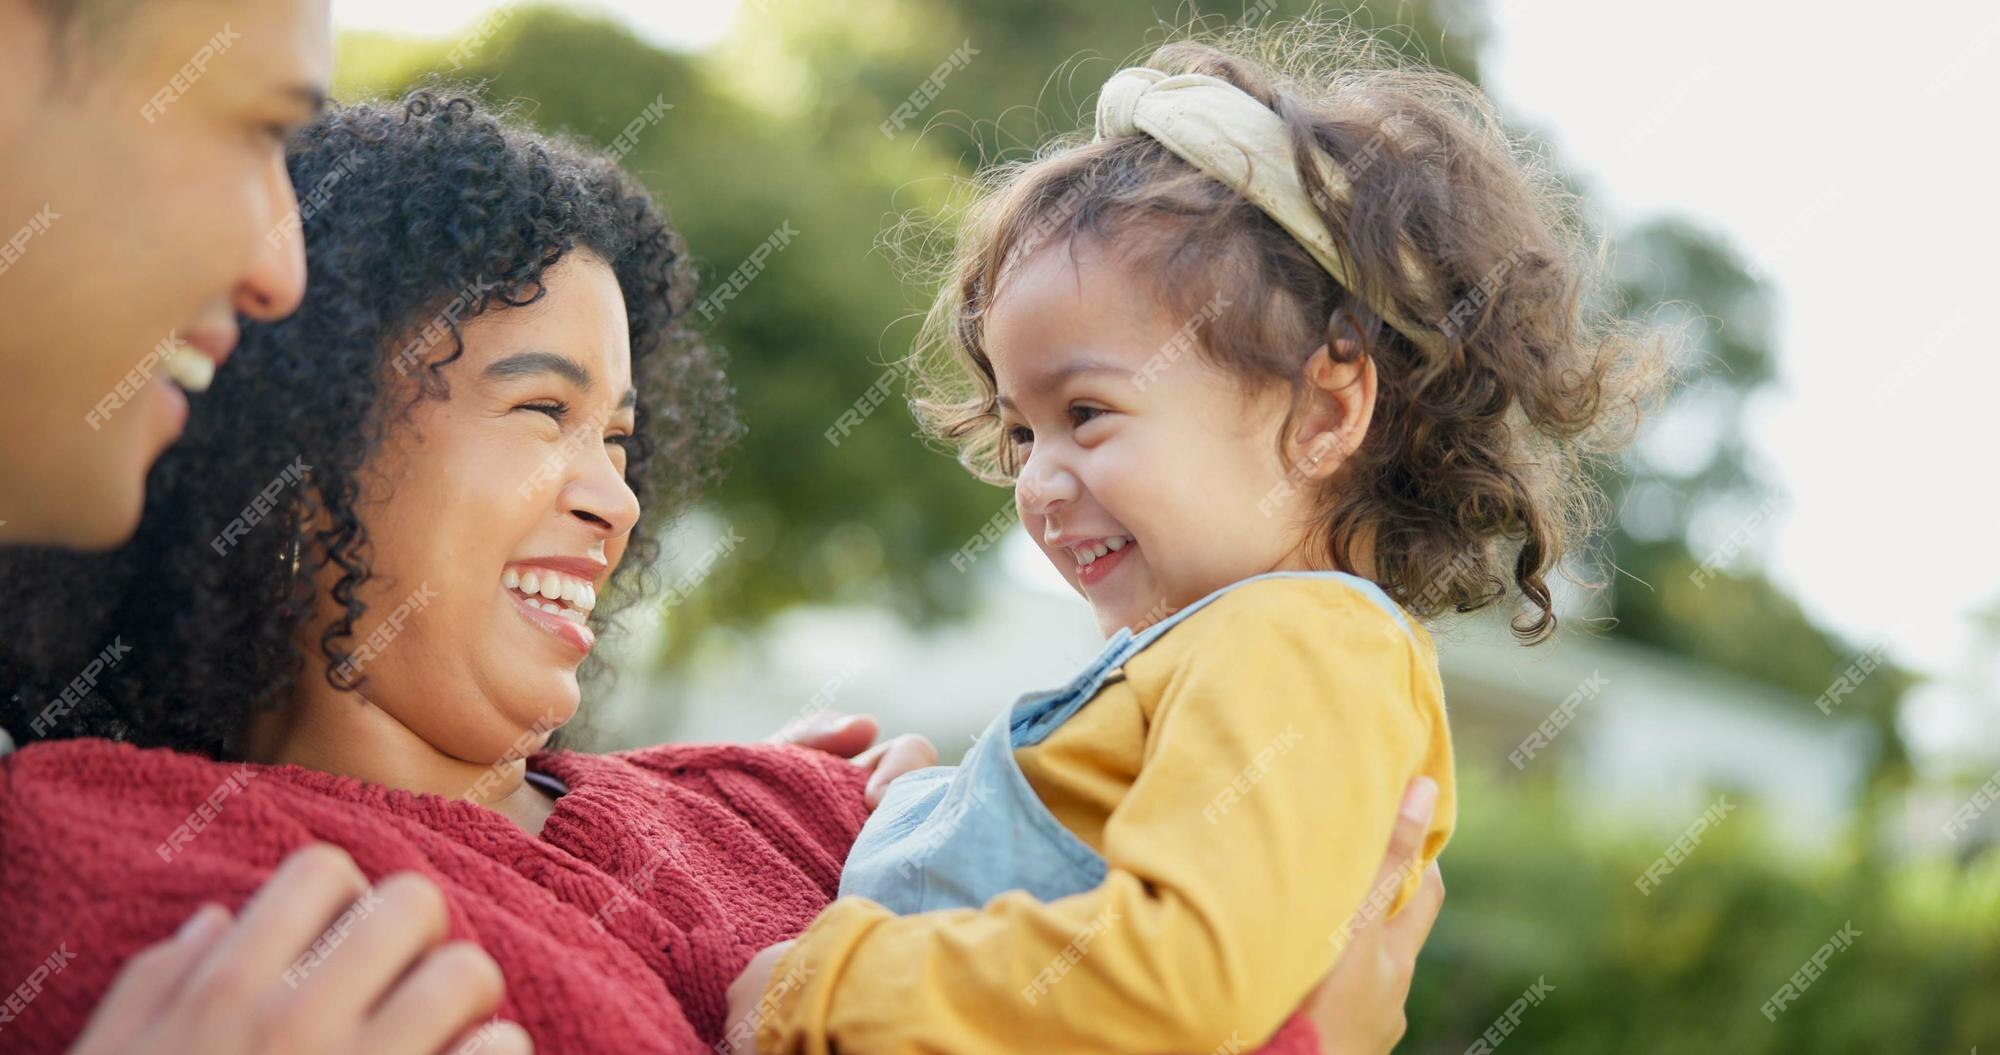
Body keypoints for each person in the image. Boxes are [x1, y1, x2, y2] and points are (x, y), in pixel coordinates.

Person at [0, 89, 1440, 1055]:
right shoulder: (142, 868)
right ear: (298, 447)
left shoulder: (784, 798)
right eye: (541, 408)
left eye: (621, 435)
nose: (614, 496)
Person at [732, 25, 1664, 1055]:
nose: (1037, 480)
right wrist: (933, 814)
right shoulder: (1235, 648)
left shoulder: (1305, 649)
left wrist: (822, 988)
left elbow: (1174, 983)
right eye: (1018, 429)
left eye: (1086, 411)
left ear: (1321, 411)